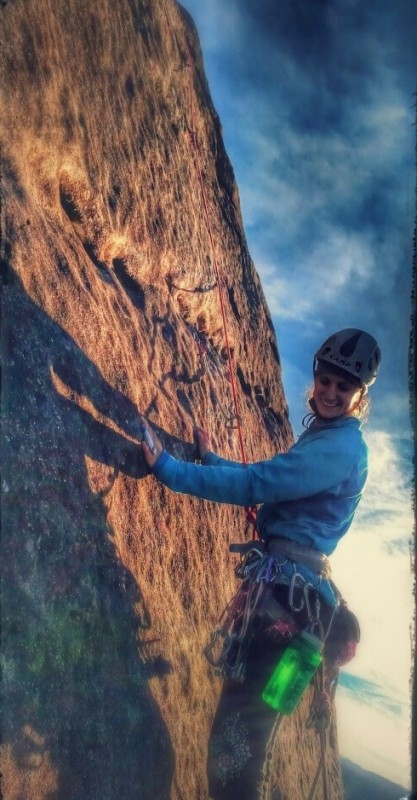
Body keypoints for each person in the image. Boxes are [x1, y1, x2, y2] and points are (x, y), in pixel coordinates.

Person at [140, 328, 381, 800]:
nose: (331, 393)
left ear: (359, 395)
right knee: (242, 749)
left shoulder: (341, 448)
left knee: (236, 758)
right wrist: (213, 461)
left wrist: (171, 470)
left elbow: (260, 484)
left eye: (344, 387)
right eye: (326, 381)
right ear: (316, 379)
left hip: (286, 612)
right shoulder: (329, 438)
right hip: (295, 607)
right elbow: (272, 479)